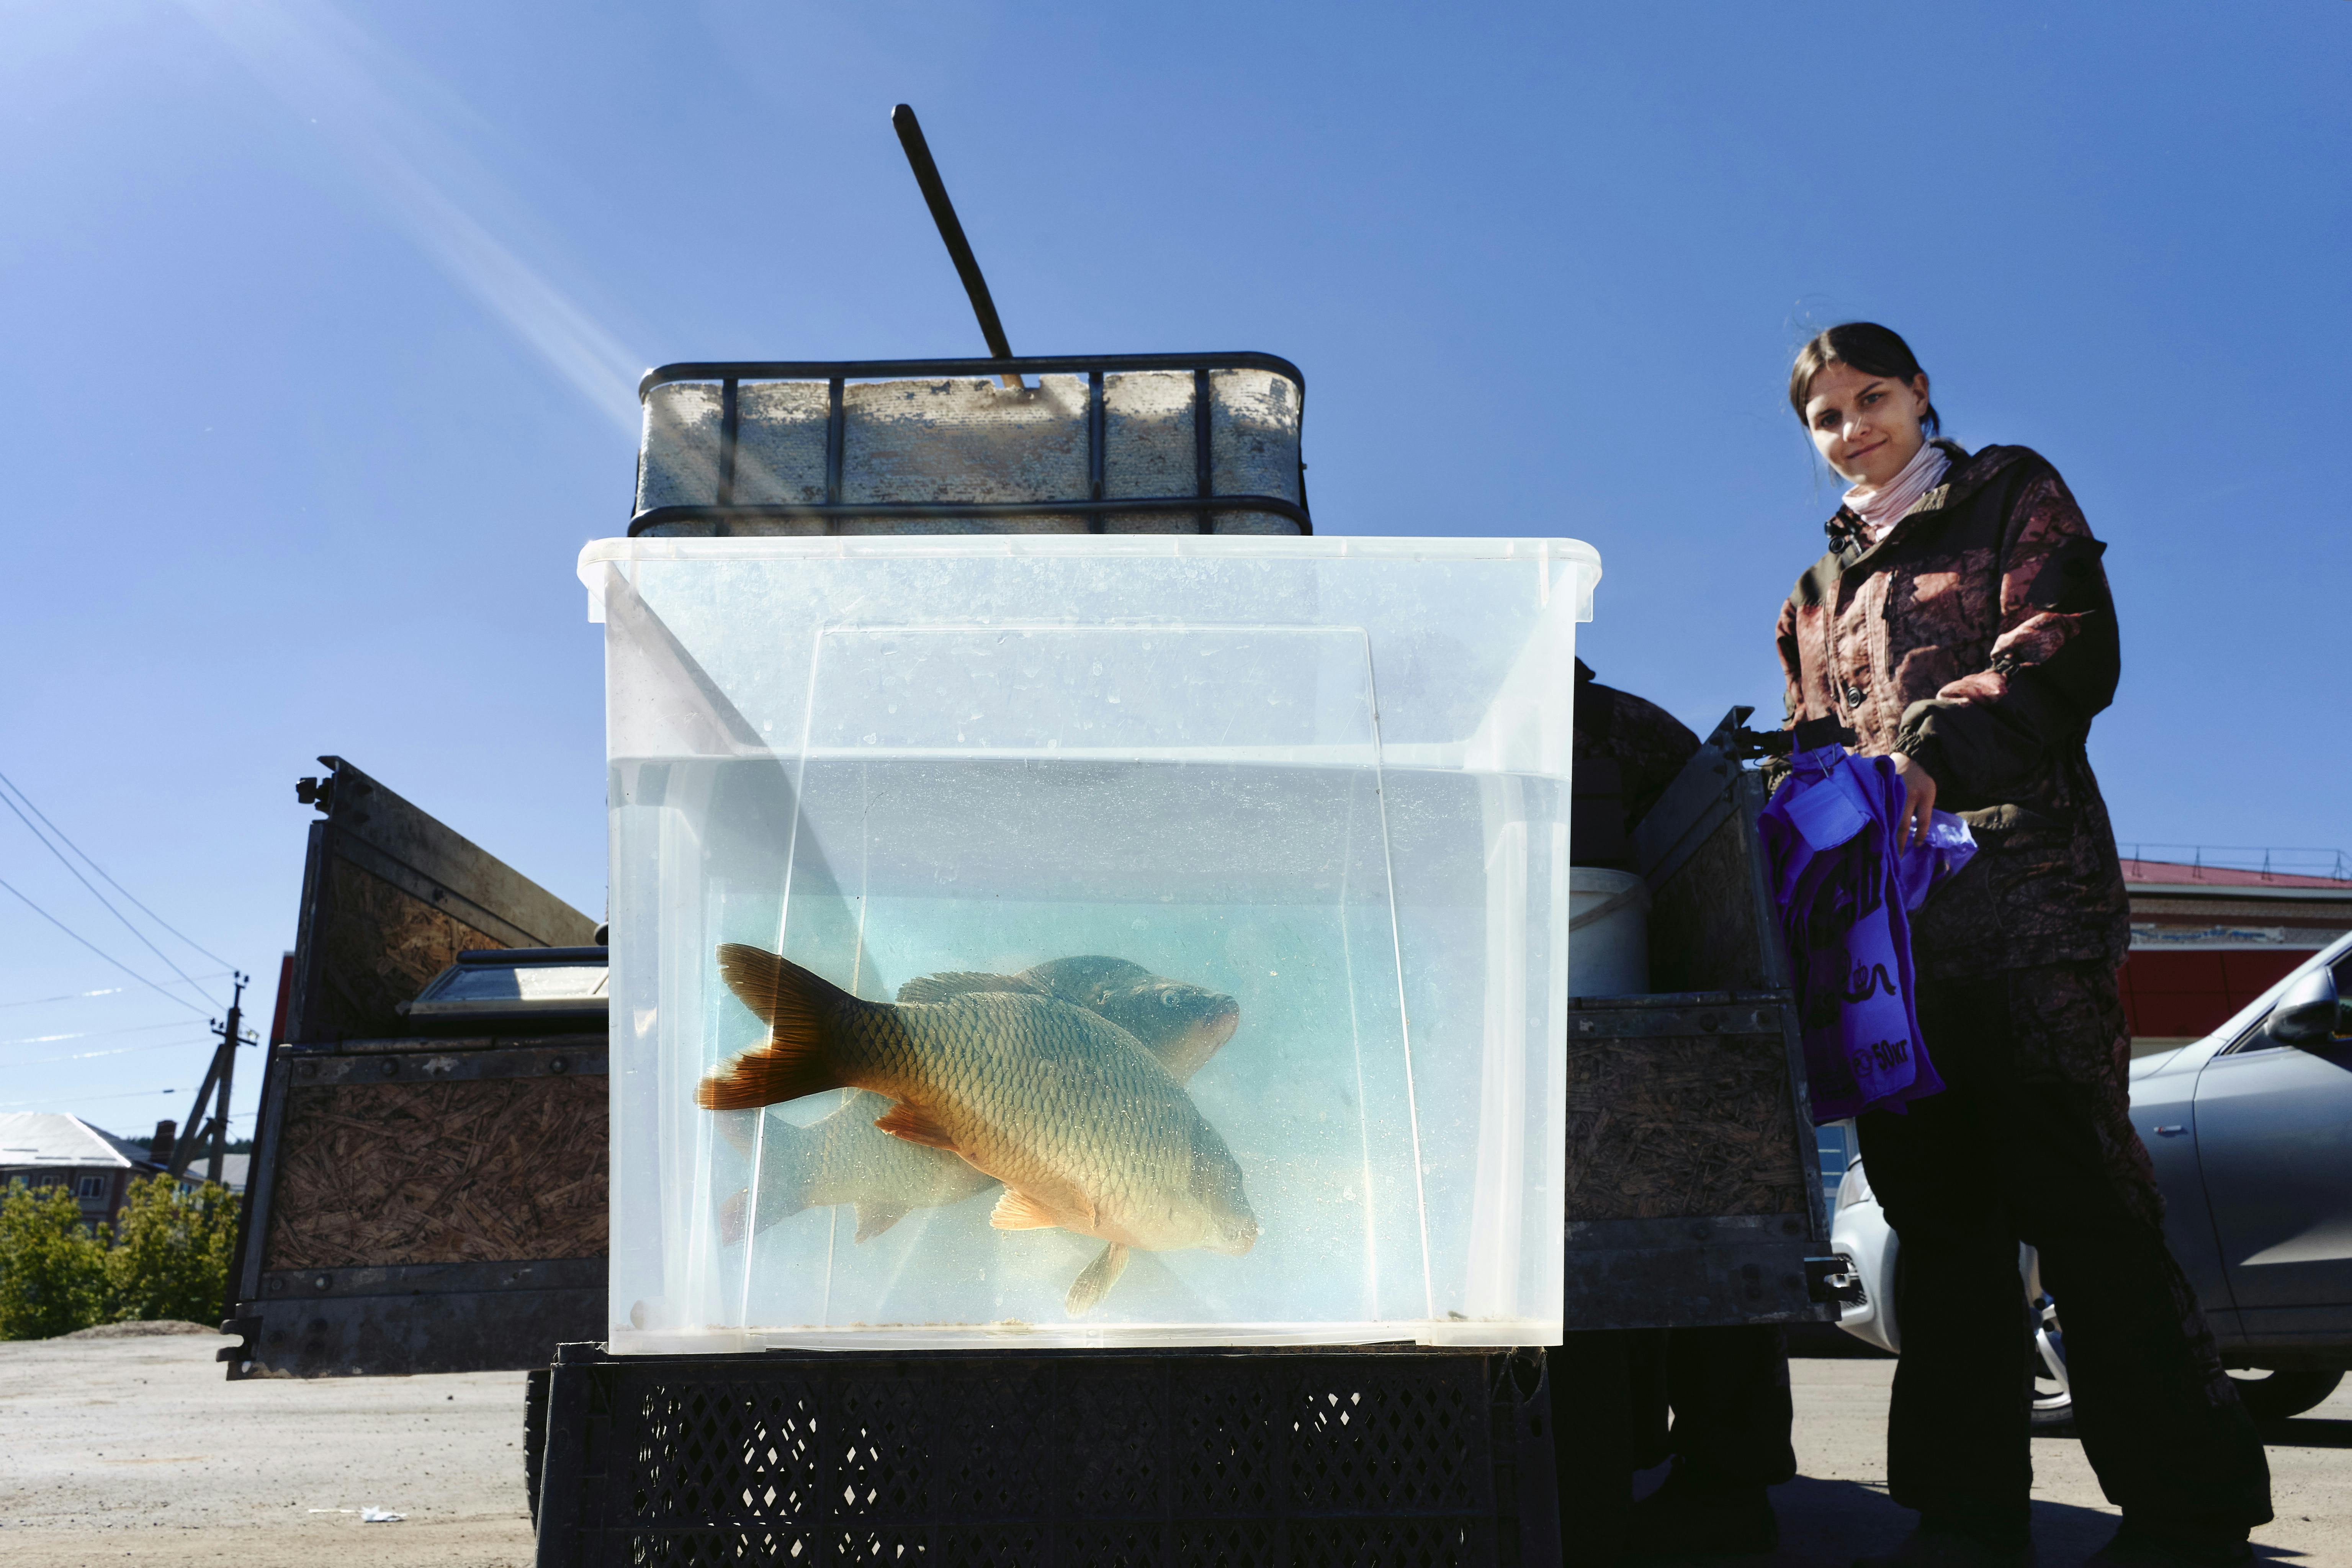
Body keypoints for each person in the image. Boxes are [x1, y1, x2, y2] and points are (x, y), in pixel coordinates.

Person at [1773, 323, 2271, 1567]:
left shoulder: (2008, 495)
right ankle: (1965, 1514)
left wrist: (1933, 750)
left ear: (1921, 393)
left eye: (1871, 397)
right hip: (1892, 964)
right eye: (1825, 417)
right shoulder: (1813, 595)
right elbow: (1814, 751)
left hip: (2028, 920)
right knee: (1939, 1229)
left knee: (2085, 1205)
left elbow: (2064, 649)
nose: (1853, 428)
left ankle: (2186, 1512)